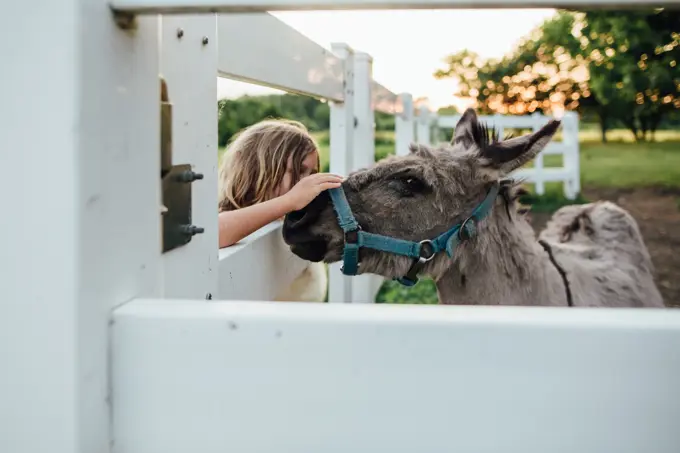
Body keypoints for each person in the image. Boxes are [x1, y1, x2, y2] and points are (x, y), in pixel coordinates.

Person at [217, 119, 342, 302]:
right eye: (299, 170)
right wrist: (289, 201)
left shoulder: (299, 218)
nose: (307, 182)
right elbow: (214, 233)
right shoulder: (234, 217)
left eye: (312, 173)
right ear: (259, 169)